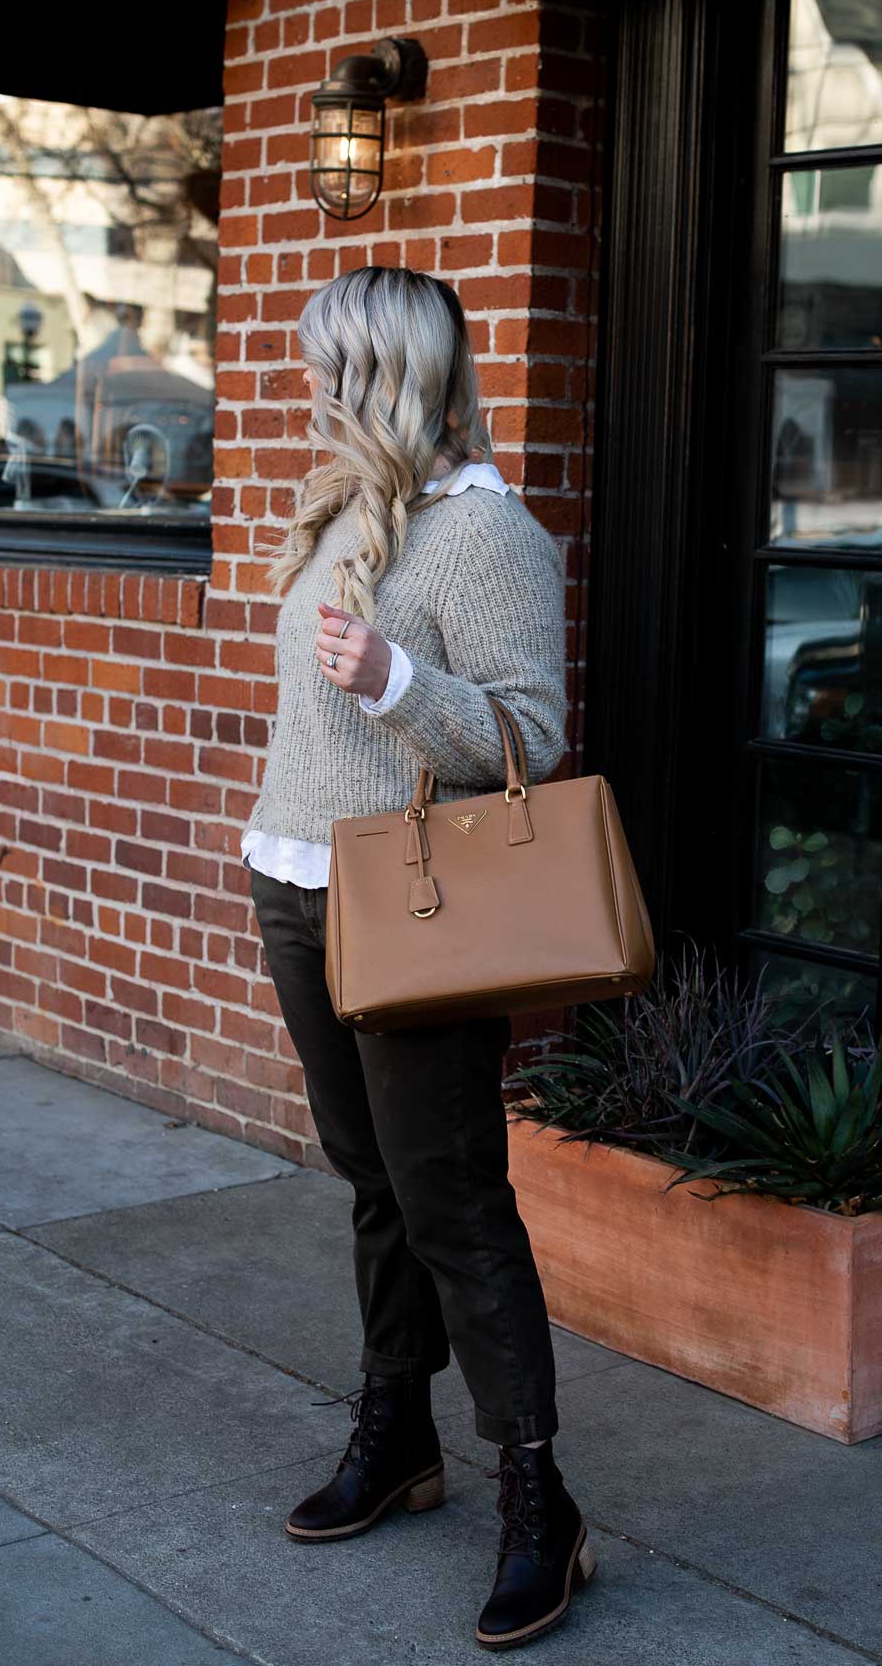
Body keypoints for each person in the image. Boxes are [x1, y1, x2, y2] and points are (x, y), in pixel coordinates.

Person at [241, 265, 595, 1650]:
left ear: (387, 373)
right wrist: (271, 827)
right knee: (373, 1183)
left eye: (328, 363)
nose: (307, 385)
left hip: (419, 903)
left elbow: (531, 738)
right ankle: (399, 1435)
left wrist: (395, 681)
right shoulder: (343, 505)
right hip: (298, 884)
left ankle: (538, 1500)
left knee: (453, 1203)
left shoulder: (490, 534)